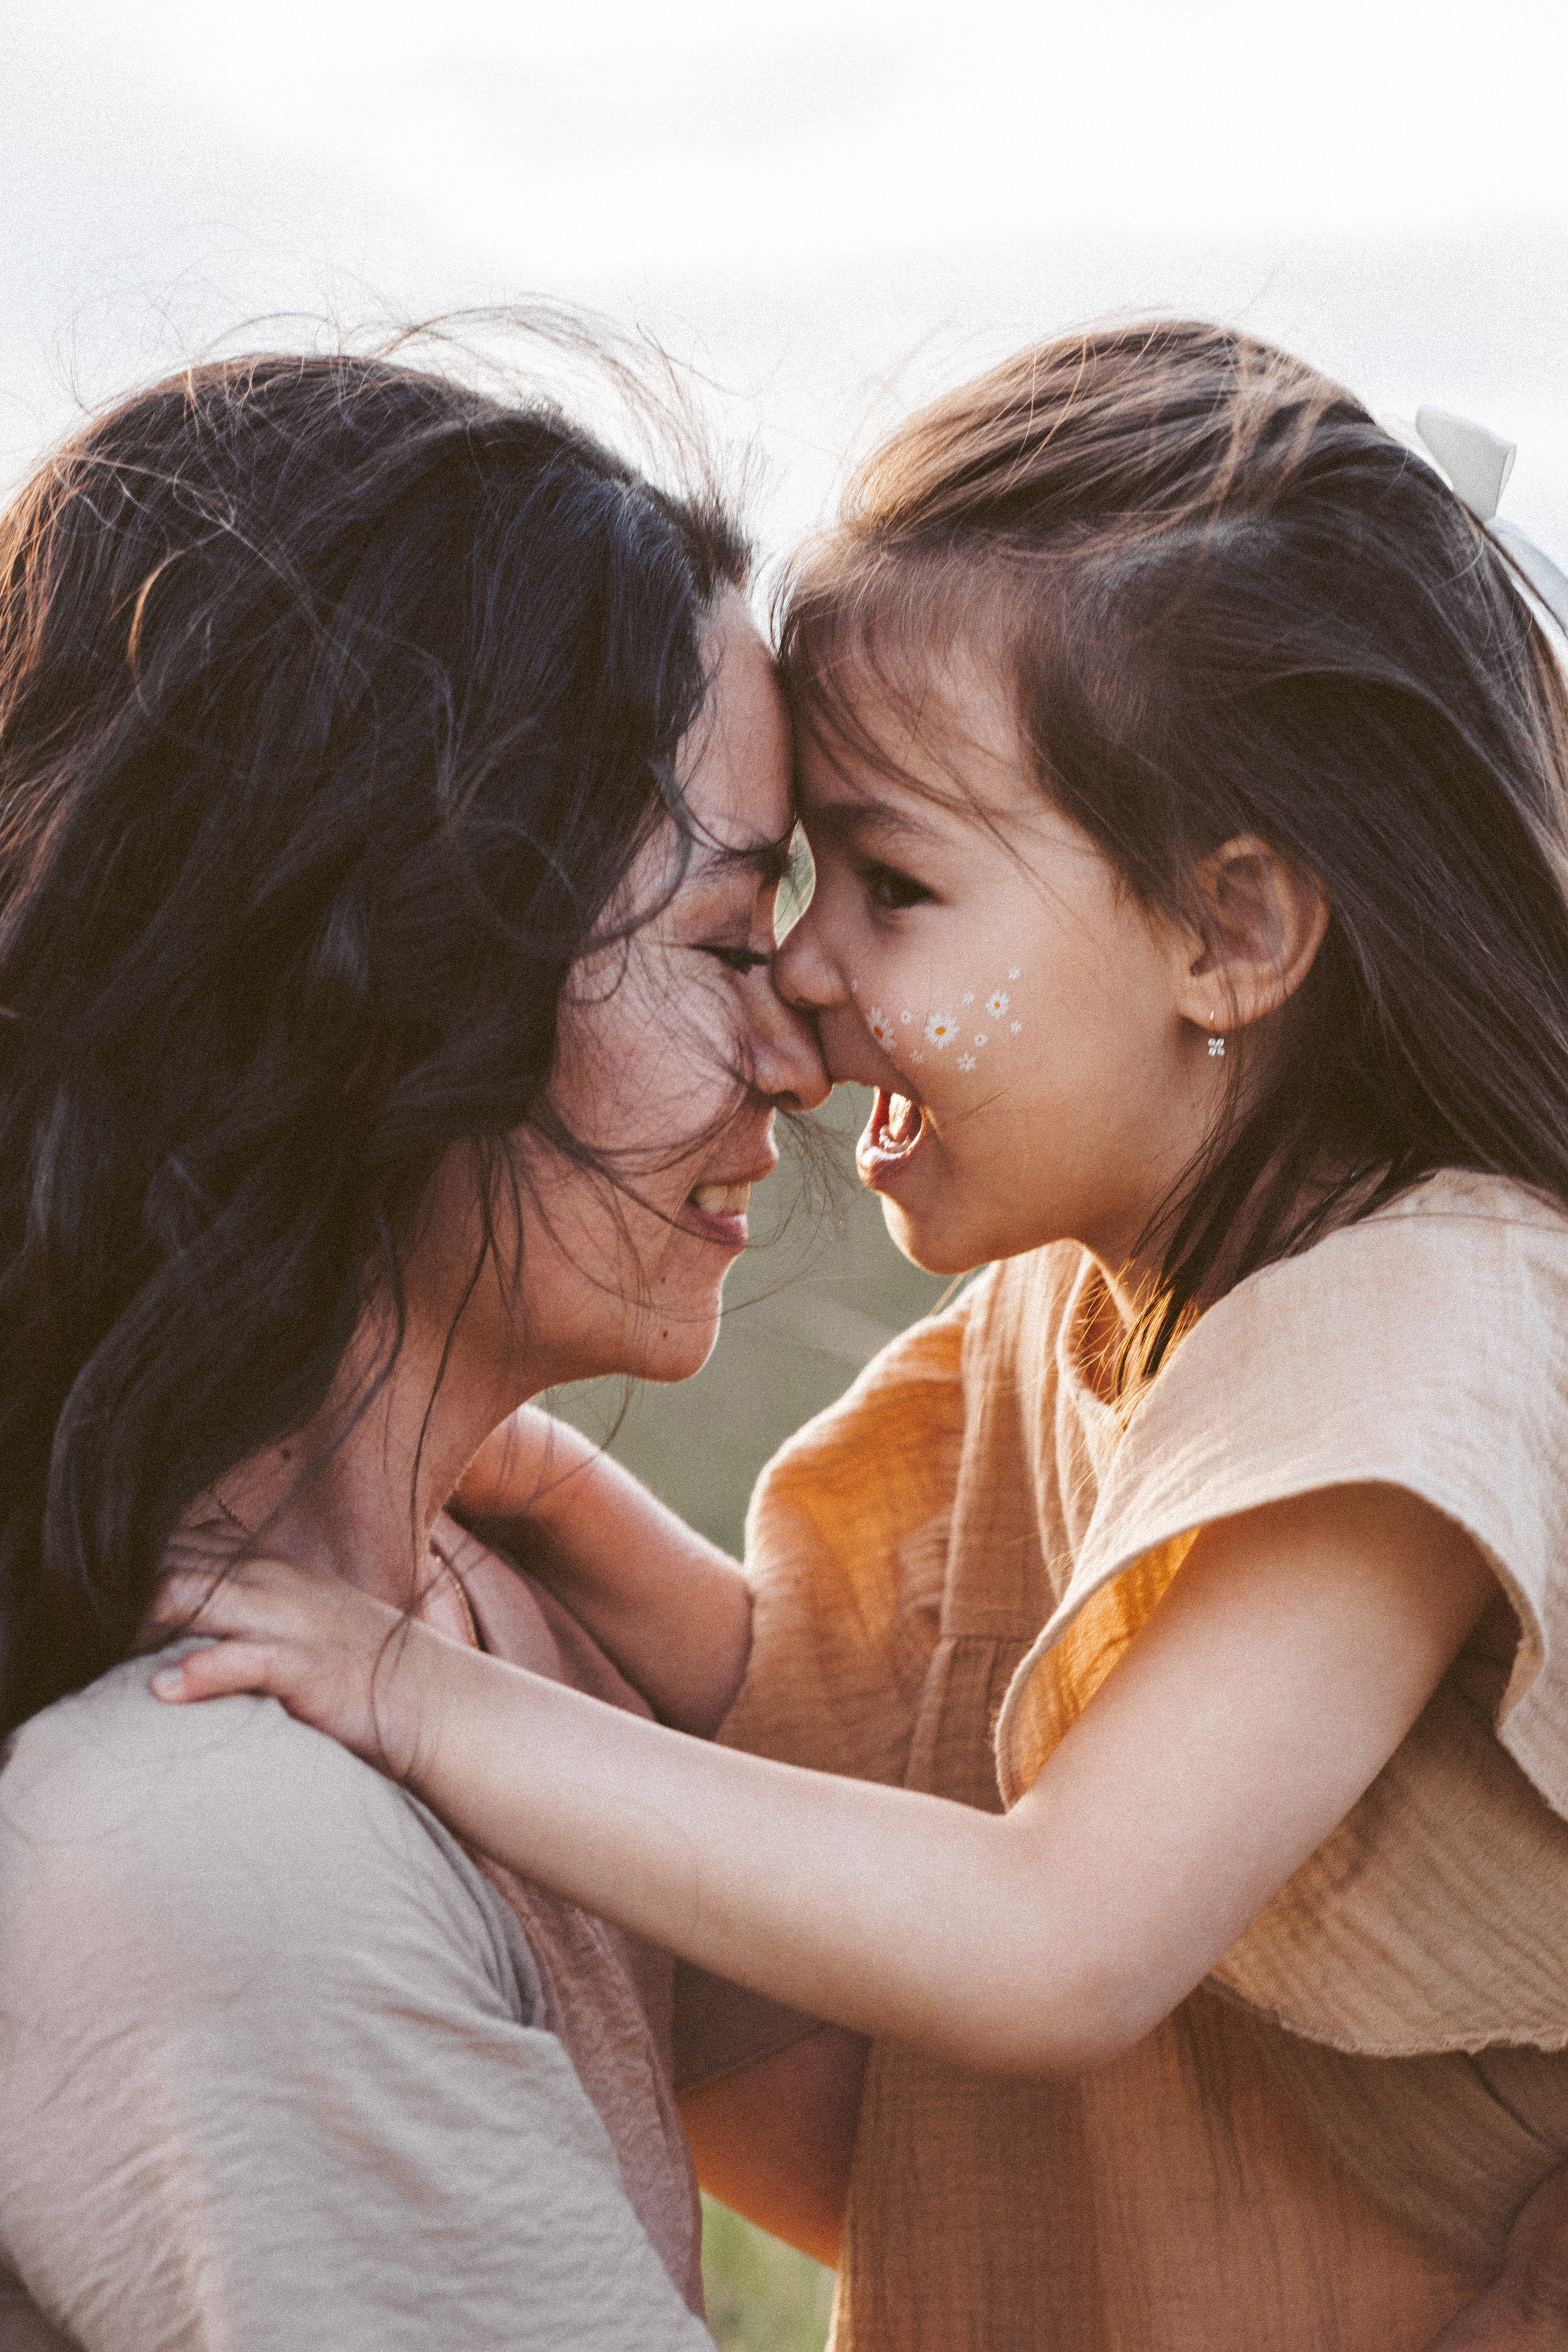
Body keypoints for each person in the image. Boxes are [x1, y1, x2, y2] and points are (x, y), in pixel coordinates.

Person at [160, 322, 1568, 2350]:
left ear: (1230, 935)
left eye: (895, 884)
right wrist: (567, 1518)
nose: (801, 975)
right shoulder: (1093, 1306)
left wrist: (414, 1694)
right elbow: (852, 1748)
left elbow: (1051, 1931)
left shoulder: (1413, 1350)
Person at [0, 343, 833, 2348]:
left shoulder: (479, 1615)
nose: (800, 1056)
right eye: (728, 945)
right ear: (420, 951)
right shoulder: (215, 1840)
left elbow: (972, 2166)